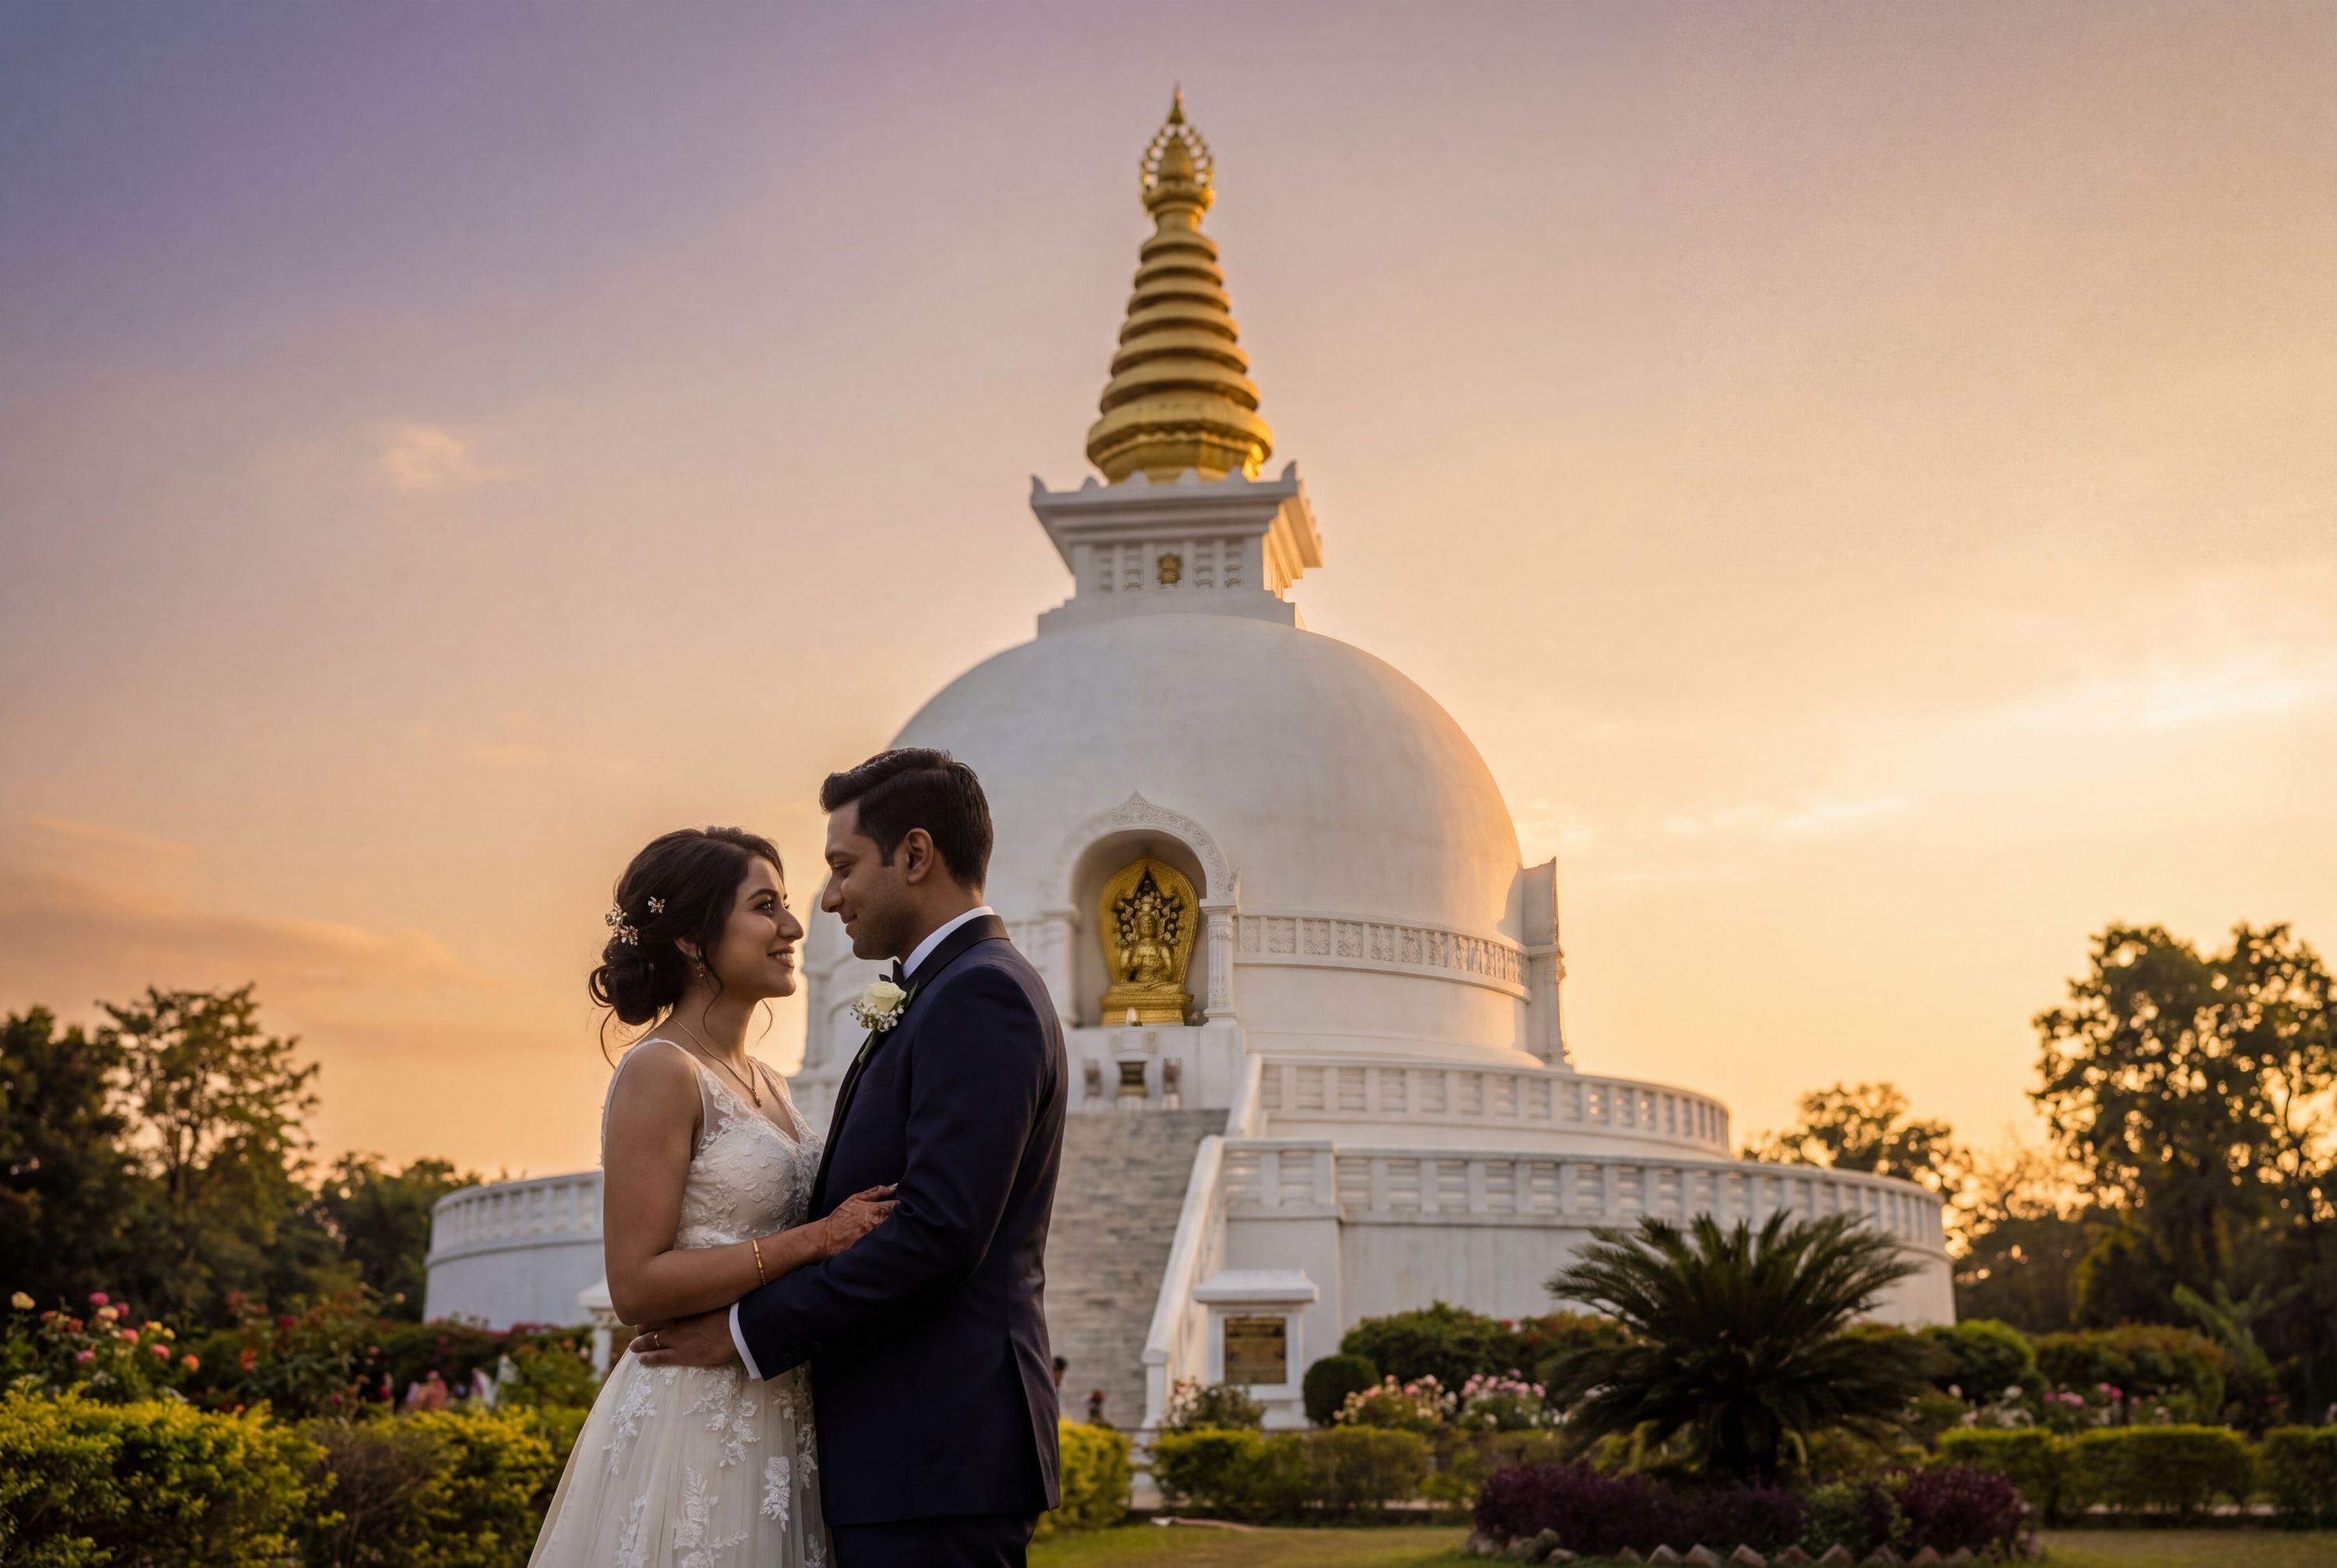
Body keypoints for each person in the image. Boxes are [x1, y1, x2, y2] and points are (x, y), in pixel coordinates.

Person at [633, 750, 1069, 1568]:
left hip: (935, 1451)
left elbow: (936, 1233)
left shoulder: (980, 994)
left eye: (841, 868)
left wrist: (744, 1332)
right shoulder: (942, 990)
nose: (827, 900)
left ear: (914, 854)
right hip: (896, 1455)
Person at [527, 827, 897, 1567]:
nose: (794, 927)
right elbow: (636, 1283)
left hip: (784, 1409)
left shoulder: (773, 1084)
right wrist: (815, 1238)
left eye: (787, 904)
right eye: (767, 906)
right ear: (694, 941)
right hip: (693, 1419)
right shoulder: (660, 1071)